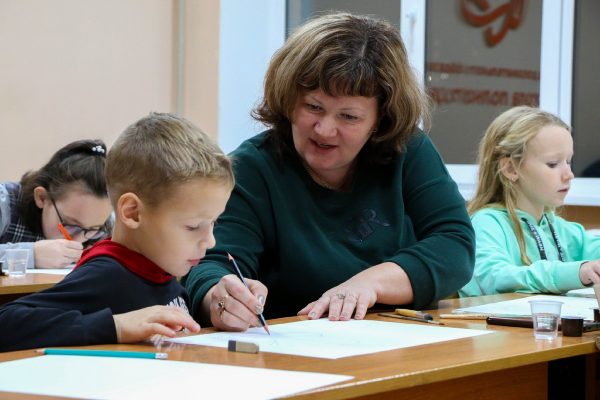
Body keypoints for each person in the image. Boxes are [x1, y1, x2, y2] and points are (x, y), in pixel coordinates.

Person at [183, 13, 475, 332]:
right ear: (290, 99)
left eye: (348, 117)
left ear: (380, 119)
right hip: (292, 351)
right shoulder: (251, 168)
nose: (324, 130)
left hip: (397, 343)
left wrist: (370, 283)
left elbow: (454, 246)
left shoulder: (408, 151)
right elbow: (213, 264)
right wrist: (221, 298)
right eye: (313, 107)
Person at [0, 112, 234, 352]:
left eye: (213, 223)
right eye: (193, 226)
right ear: (132, 213)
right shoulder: (107, 274)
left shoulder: (162, 270)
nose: (210, 240)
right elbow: (6, 322)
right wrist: (116, 326)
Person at [459, 106, 600, 297]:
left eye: (568, 161)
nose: (569, 174)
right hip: (495, 326)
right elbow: (494, 279)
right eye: (553, 164)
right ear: (511, 169)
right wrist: (576, 273)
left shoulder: (558, 228)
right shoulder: (487, 223)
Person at [0, 140, 113, 269]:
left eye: (93, 230)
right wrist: (31, 255)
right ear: (42, 198)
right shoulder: (4, 203)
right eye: (71, 225)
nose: (78, 241)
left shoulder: (104, 223)